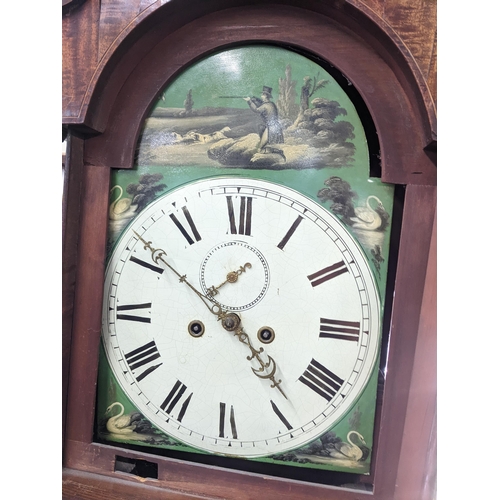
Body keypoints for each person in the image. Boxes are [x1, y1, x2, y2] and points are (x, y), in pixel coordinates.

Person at [244, 86, 285, 160]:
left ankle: (278, 152)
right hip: (276, 127)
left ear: (265, 96)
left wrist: (249, 101)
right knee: (260, 128)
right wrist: (256, 100)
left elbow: (257, 110)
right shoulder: (271, 104)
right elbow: (263, 105)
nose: (261, 96)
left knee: (260, 149)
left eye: (262, 94)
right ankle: (278, 151)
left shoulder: (265, 105)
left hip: (271, 128)